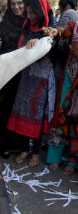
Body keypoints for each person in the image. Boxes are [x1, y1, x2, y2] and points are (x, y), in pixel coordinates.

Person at [7, 0, 56, 167]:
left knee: (37, 112)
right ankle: (25, 149)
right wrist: (30, 42)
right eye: (27, 13)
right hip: (27, 74)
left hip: (42, 76)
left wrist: (42, 41)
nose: (28, 16)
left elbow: (53, 45)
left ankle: (35, 151)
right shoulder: (28, 24)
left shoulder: (51, 25)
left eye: (31, 13)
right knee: (24, 111)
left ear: (40, 11)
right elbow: (23, 43)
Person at [46, 22, 78, 174]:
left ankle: (73, 161)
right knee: (61, 114)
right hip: (70, 75)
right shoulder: (75, 24)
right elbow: (64, 31)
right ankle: (54, 156)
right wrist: (54, 31)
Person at [0, 0, 26, 158]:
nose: (16, 7)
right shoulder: (5, 23)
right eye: (13, 4)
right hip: (8, 72)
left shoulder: (30, 22)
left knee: (21, 108)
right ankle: (2, 144)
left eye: (20, 3)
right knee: (5, 107)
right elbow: (2, 48)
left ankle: (19, 144)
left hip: (26, 72)